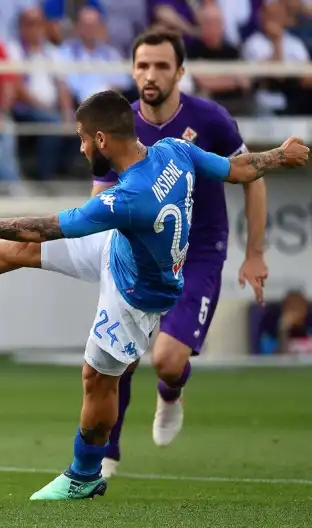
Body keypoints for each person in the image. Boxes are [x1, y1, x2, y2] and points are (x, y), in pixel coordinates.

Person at [0, 89, 308, 500]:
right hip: (120, 248)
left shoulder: (127, 197)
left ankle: (84, 474)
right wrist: (279, 155)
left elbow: (45, 226)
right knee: (23, 250)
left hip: (137, 297)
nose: (82, 146)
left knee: (97, 379)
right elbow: (237, 168)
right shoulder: (175, 150)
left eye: (83, 138)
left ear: (103, 140)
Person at [92, 30, 269, 478]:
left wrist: (255, 253)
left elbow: (253, 176)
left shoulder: (210, 120)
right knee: (121, 354)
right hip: (140, 256)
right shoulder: (119, 124)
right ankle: (107, 454)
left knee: (168, 361)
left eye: (161, 66)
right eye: (143, 66)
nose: (150, 75)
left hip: (199, 251)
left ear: (180, 72)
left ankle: (171, 392)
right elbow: (100, 197)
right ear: (133, 70)